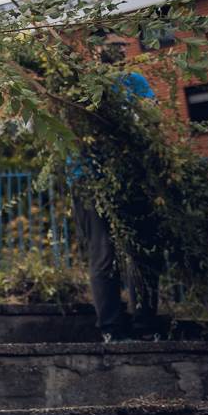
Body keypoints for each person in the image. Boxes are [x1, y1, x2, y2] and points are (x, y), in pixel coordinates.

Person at [69, 41, 163, 340]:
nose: (119, 49)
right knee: (103, 254)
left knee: (142, 250)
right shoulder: (74, 85)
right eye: (110, 44)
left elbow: (151, 117)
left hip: (130, 175)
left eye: (122, 45)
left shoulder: (134, 81)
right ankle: (111, 328)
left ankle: (145, 325)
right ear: (94, 50)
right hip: (88, 178)